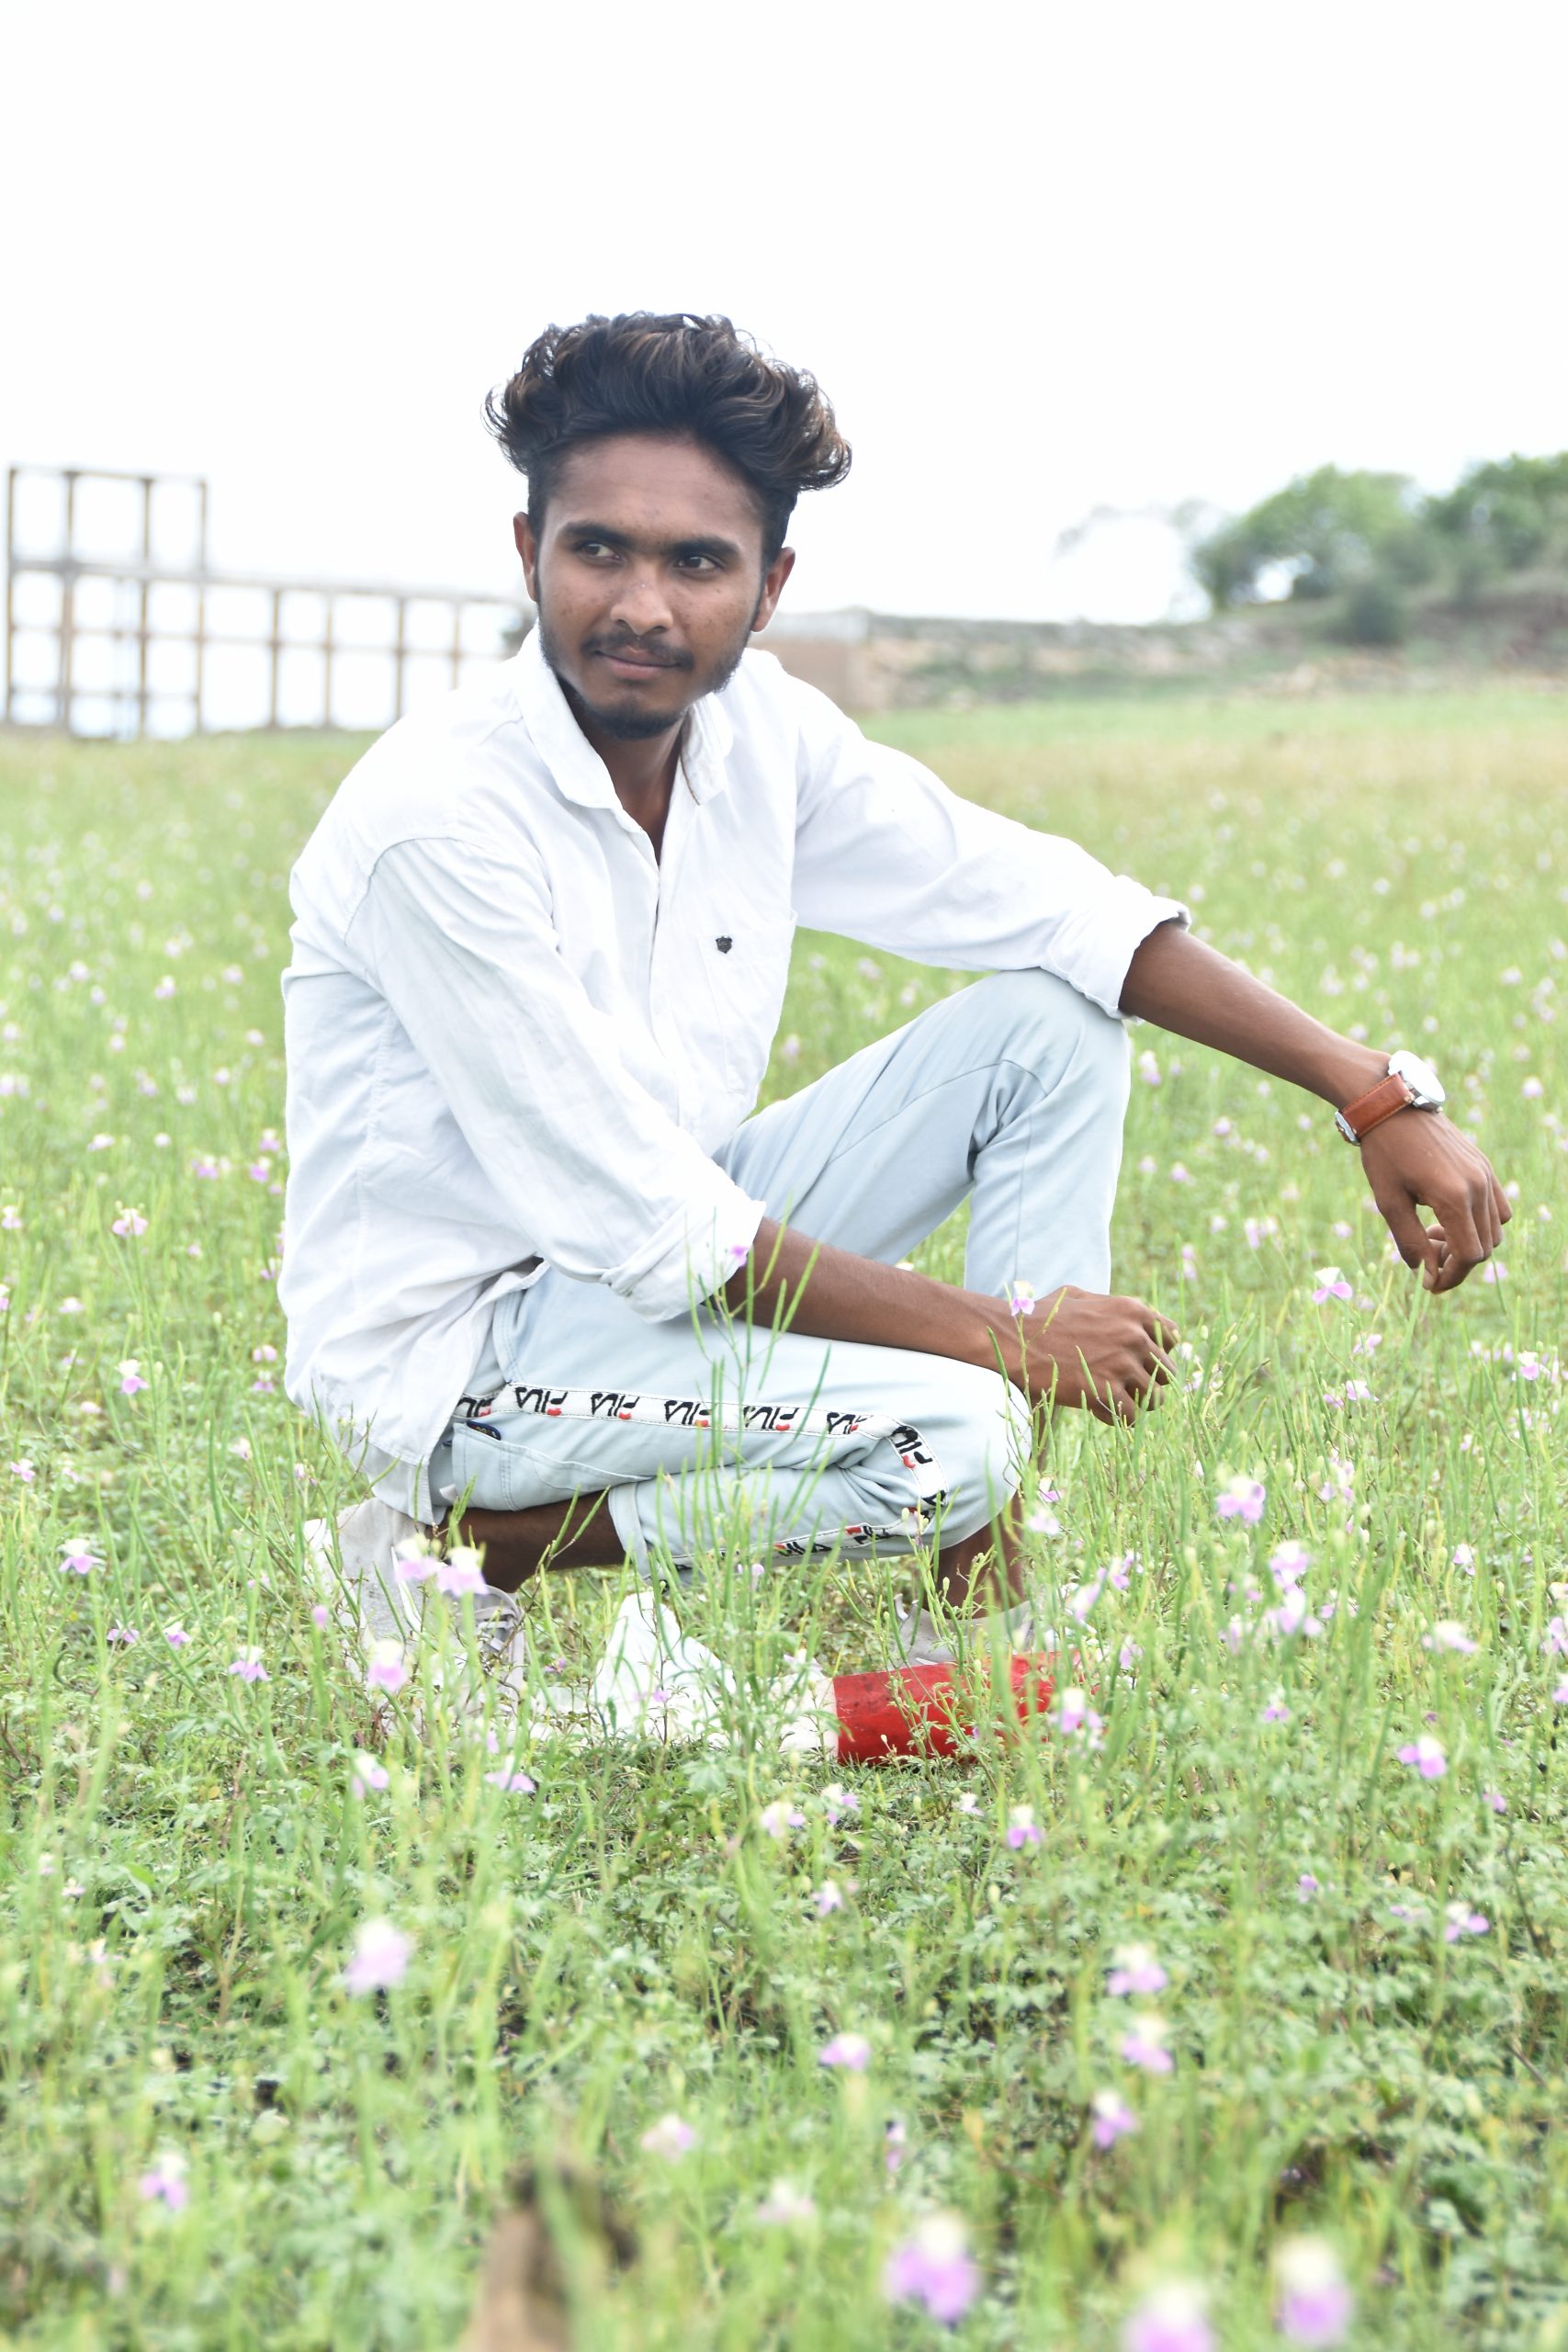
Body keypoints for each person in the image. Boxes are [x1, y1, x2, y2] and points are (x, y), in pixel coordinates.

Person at [281, 311, 1508, 1702]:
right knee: (957, 1434)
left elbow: (1057, 908)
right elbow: (647, 1222)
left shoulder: (759, 738)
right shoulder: (438, 818)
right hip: (467, 1363)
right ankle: (452, 1551)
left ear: (769, 584)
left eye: (698, 562)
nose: (641, 606)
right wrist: (1014, 1343)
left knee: (1046, 1029)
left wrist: (1369, 1092)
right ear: (528, 553)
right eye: (598, 549)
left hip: (644, 1275)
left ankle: (975, 1620)